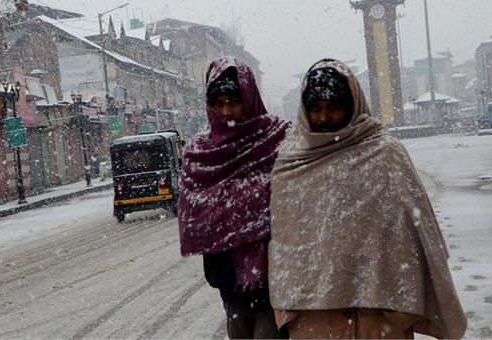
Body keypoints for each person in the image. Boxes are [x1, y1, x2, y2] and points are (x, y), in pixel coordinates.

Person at [268, 59, 467, 339]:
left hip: (378, 311)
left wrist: (401, 306)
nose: (323, 117)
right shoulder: (291, 161)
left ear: (351, 106)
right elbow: (284, 243)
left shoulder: (385, 153)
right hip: (314, 315)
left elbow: (417, 233)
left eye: (333, 107)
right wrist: (286, 309)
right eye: (315, 109)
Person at [178, 57, 291, 339]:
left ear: (249, 96)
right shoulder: (198, 153)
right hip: (227, 276)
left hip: (277, 274)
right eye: (219, 103)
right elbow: (194, 216)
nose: (227, 111)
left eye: (234, 100)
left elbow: (295, 204)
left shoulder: (280, 139)